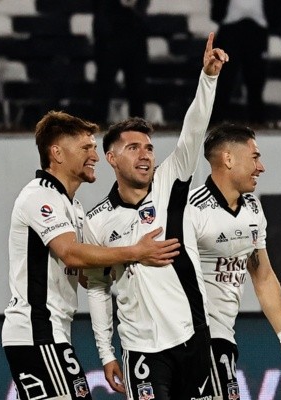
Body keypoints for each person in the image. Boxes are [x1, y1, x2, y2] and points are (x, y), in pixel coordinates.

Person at [83, 33, 228, 399]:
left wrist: (208, 78)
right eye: (133, 148)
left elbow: (193, 131)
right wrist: (106, 352)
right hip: (141, 350)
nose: (145, 154)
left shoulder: (170, 181)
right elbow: (98, 287)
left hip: (193, 336)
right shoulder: (97, 221)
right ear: (112, 158)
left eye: (148, 147)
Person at [1, 110, 181, 400]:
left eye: (94, 148)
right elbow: (70, 254)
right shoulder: (40, 195)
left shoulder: (73, 207)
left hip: (53, 332)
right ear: (57, 153)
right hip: (36, 331)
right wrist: (136, 252)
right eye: (86, 148)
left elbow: (87, 275)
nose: (95, 156)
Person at [188, 123, 281, 395]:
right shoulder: (191, 210)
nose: (261, 167)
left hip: (223, 336)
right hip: (195, 338)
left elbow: (263, 277)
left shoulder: (252, 209)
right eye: (254, 157)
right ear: (228, 159)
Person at [210, 0, 281, 125]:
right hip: (230, 29)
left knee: (256, 80)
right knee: (224, 80)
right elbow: (217, 11)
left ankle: (257, 122)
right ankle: (214, 121)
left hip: (257, 30)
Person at [92, 0, 150, 126]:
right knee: (104, 84)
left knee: (136, 86)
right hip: (109, 34)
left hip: (134, 32)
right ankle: (97, 126)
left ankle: (138, 129)